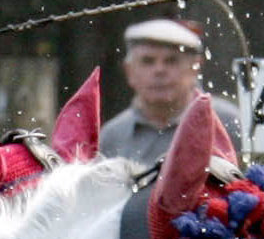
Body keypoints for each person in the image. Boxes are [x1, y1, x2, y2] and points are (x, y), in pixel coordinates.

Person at [96, 17, 239, 169]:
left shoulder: (229, 123)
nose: (159, 70)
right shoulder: (111, 137)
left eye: (171, 61)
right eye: (147, 61)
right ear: (129, 71)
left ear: (195, 68)